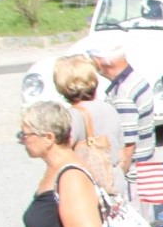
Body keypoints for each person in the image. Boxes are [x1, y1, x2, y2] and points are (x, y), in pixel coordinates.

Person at [53, 54, 126, 197]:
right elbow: (121, 152)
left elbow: (62, 157)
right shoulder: (109, 108)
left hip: (89, 190)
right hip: (115, 183)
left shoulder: (70, 117)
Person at [90, 44, 155, 189]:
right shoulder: (136, 79)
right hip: (144, 172)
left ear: (101, 62)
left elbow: (127, 147)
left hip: (131, 180)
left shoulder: (122, 95)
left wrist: (115, 185)